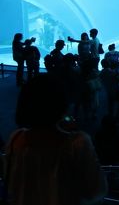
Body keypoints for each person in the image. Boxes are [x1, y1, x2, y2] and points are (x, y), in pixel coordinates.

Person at [3, 74, 107, 204]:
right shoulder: (78, 143)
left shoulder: (15, 138)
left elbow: (11, 183)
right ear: (62, 104)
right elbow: (96, 191)